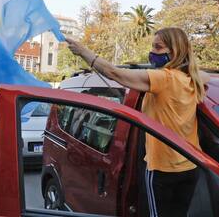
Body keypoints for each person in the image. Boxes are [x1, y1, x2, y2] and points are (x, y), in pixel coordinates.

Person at [66, 27, 210, 217]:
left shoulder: (164, 78)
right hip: (190, 164)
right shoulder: (193, 79)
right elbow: (203, 75)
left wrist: (83, 52)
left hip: (162, 169)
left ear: (175, 51)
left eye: (158, 47)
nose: (153, 52)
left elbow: (114, 73)